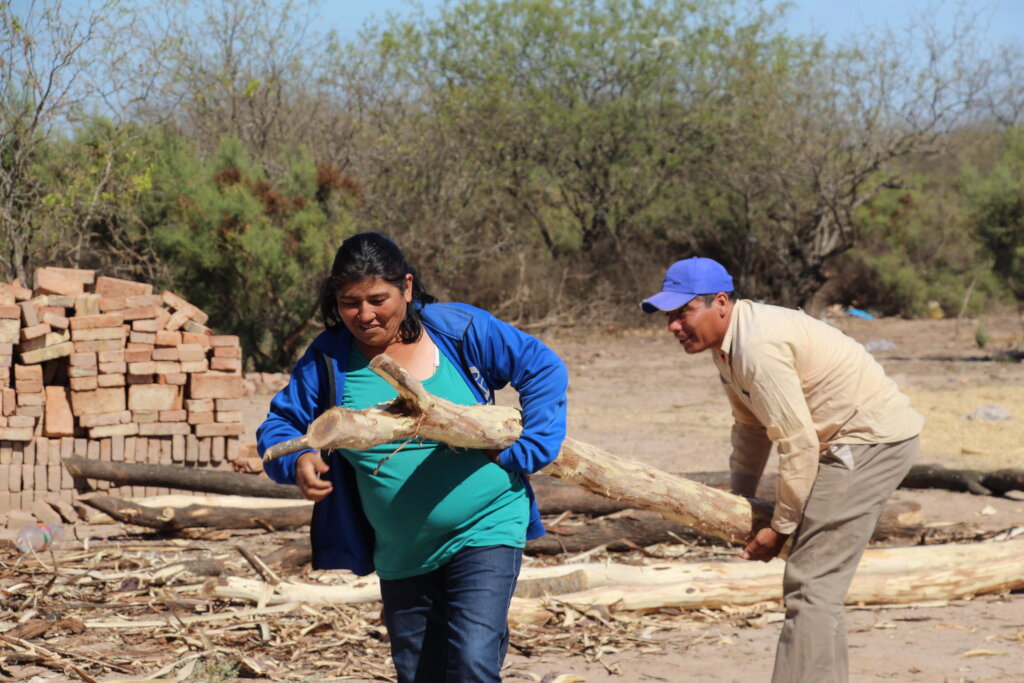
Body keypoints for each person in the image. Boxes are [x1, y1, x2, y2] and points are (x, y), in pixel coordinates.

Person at [258, 232, 568, 683]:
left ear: (406, 287)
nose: (364, 315)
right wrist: (297, 462)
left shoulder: (459, 330)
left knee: (472, 663)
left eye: (377, 299)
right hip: (402, 552)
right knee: (419, 673)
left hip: (487, 523)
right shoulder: (327, 361)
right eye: (349, 303)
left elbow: (542, 366)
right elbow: (278, 430)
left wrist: (536, 443)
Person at [641, 256, 924, 683]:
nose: (673, 327)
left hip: (868, 441)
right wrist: (738, 501)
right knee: (819, 586)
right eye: (669, 316)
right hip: (845, 440)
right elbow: (750, 427)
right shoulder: (729, 347)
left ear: (720, 302)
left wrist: (781, 526)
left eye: (684, 313)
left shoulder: (756, 347)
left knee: (810, 581)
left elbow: (798, 444)